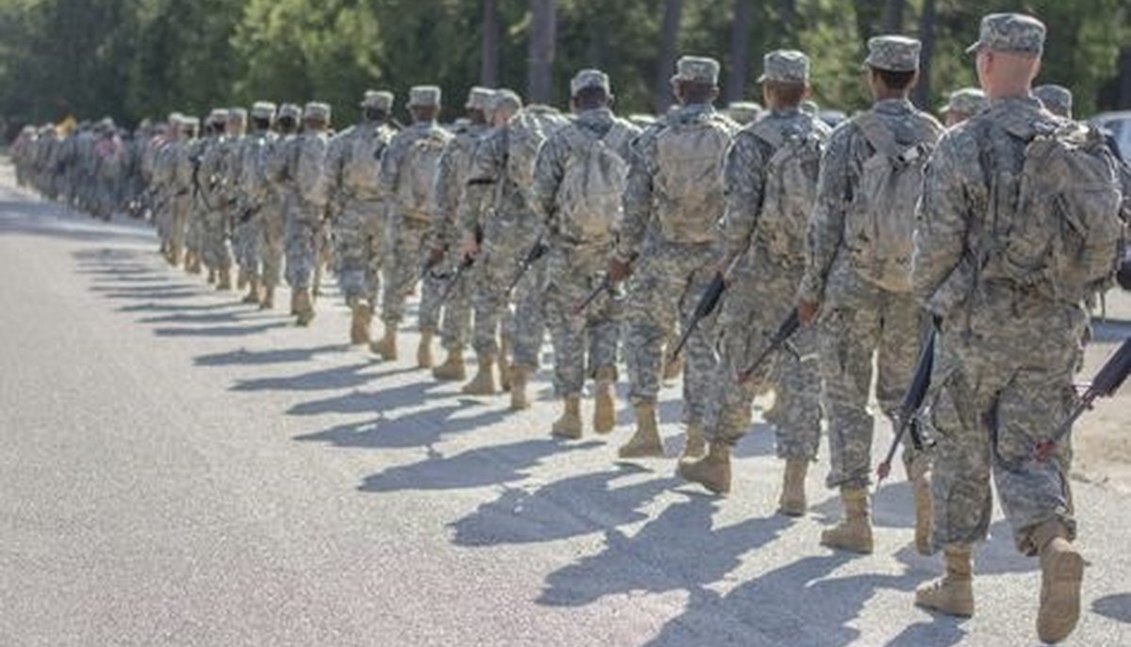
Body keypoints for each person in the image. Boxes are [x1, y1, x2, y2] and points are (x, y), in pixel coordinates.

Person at [912, 14, 1125, 643]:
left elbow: (932, 254)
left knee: (961, 445)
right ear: (1034, 63)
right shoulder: (1084, 144)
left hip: (978, 328)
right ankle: (1054, 545)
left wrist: (948, 302)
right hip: (1055, 328)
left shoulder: (961, 143)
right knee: (1032, 447)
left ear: (987, 63)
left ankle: (957, 581)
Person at [796, 36, 943, 554]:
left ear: (872, 77)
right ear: (914, 78)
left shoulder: (848, 137)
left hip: (851, 286)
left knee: (846, 399)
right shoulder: (938, 136)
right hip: (912, 289)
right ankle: (923, 480)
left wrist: (810, 289)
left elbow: (825, 221)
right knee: (906, 398)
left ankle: (856, 518)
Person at [678, 50, 830, 511]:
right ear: (805, 91)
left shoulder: (751, 140)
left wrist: (723, 264)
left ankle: (719, 459)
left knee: (740, 365)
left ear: (767, 90)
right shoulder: (829, 138)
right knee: (803, 376)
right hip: (811, 276)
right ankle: (794, 483)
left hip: (760, 274)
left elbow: (740, 215)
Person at [608, 55, 739, 459]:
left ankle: (646, 428)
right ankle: (696, 437)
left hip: (661, 253)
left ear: (678, 88)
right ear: (714, 92)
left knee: (644, 334)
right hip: (713, 256)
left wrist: (623, 254)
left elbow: (635, 205)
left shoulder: (653, 137)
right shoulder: (734, 136)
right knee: (702, 342)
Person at [530, 69, 641, 438]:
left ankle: (572, 412)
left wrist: (552, 229)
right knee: (609, 318)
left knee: (567, 327)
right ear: (609, 99)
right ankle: (606, 378)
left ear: (574, 102)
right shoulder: (631, 138)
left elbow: (541, 197)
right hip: (616, 253)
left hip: (569, 250)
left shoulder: (559, 140)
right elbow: (646, 195)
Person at [372, 86, 453, 363]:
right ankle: (426, 344)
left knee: (396, 275)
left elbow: (384, 183)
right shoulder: (449, 140)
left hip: (405, 219)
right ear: (438, 109)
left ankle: (390, 337)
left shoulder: (400, 140)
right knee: (434, 280)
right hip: (438, 224)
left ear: (412, 109)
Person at [428, 87, 495, 381]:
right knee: (494, 298)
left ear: (470, 111)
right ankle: (497, 366)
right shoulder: (505, 142)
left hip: (462, 231)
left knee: (459, 296)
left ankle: (455, 359)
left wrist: (439, 237)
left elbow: (442, 195)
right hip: (500, 233)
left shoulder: (458, 145)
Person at [328, 90, 397, 344]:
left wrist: (330, 208)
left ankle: (357, 300)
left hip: (351, 209)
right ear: (388, 113)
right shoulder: (396, 140)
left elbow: (327, 177)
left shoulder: (344, 139)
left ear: (364, 110)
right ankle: (368, 309)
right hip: (383, 212)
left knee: (350, 263)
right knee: (374, 266)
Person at [285, 102, 332, 326]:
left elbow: (272, 171)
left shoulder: (293, 144)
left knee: (298, 252)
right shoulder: (332, 144)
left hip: (298, 207)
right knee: (318, 253)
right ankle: (310, 292)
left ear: (305, 121)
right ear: (326, 122)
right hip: (324, 210)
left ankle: (301, 292)